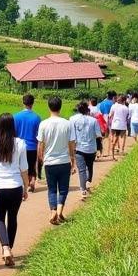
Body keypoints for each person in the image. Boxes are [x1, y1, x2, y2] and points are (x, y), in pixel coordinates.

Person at [0, 112, 29, 265]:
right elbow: (24, 168)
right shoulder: (20, 143)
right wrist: (25, 188)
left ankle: (5, 247)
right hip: (15, 186)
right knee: (12, 218)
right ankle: (9, 248)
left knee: (0, 216)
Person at [37, 95, 76, 224]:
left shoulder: (43, 124)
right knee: (64, 188)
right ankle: (59, 211)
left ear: (49, 107)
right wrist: (72, 158)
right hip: (64, 161)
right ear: (60, 107)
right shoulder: (67, 123)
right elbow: (71, 143)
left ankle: (53, 211)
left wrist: (41, 158)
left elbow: (40, 144)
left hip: (49, 162)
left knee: (52, 189)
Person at [68, 99, 100, 197]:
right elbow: (98, 135)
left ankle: (83, 190)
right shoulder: (93, 120)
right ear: (87, 110)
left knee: (81, 170)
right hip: (91, 148)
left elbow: (71, 135)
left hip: (79, 148)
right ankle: (88, 181)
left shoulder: (72, 119)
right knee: (89, 166)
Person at [13, 93, 41, 193]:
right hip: (32, 146)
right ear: (32, 103)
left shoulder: (16, 117)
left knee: (21, 166)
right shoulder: (37, 117)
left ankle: (24, 184)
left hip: (19, 146)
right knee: (32, 165)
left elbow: (14, 133)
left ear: (23, 102)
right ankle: (32, 180)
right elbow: (39, 135)